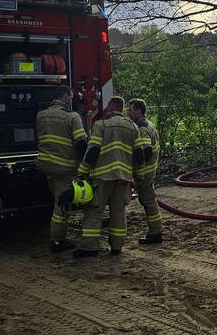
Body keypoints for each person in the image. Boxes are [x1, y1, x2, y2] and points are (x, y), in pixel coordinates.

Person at [74, 96, 150, 258]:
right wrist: (139, 176)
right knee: (118, 212)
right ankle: (116, 247)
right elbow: (139, 155)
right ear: (122, 109)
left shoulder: (101, 125)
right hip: (123, 178)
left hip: (102, 177)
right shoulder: (132, 127)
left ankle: (89, 248)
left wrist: (82, 172)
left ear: (109, 108)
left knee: (94, 211)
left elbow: (93, 151)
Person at [35, 85, 87, 253]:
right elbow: (81, 143)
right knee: (62, 204)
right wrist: (86, 165)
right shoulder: (72, 117)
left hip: (45, 165)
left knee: (56, 197)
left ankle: (57, 236)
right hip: (64, 168)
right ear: (65, 97)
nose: (71, 100)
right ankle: (57, 241)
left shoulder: (41, 115)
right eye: (71, 97)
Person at [128, 98, 163, 244]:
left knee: (148, 201)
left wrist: (138, 174)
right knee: (147, 200)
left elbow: (145, 151)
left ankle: (155, 233)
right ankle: (155, 231)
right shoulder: (149, 124)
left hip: (145, 173)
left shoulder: (142, 128)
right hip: (151, 170)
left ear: (138, 110)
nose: (128, 112)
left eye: (130, 109)